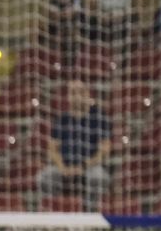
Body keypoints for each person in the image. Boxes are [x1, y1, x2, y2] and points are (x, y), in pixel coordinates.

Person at [37, 80, 112, 209]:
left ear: (88, 94)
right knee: (44, 177)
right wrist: (62, 167)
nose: (77, 96)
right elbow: (52, 149)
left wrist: (83, 166)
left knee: (98, 177)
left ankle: (91, 214)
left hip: (90, 166)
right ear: (68, 97)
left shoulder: (98, 118)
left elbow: (104, 150)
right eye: (73, 93)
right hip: (64, 167)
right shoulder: (62, 120)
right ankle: (52, 214)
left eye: (81, 92)